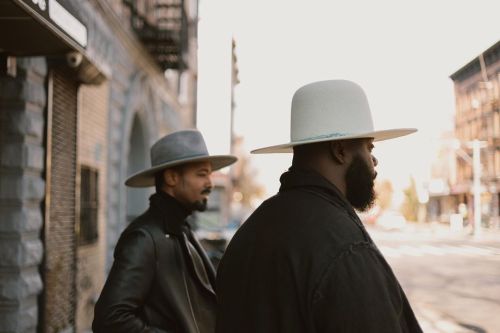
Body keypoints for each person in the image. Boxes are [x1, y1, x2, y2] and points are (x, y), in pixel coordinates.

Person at [215, 80, 423, 333]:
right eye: (368, 148)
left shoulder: (250, 231)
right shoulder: (344, 245)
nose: (374, 160)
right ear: (340, 150)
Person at [93, 129, 237, 333]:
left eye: (210, 175)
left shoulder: (182, 229)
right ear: (171, 178)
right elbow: (110, 319)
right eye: (202, 174)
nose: (210, 184)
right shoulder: (144, 237)